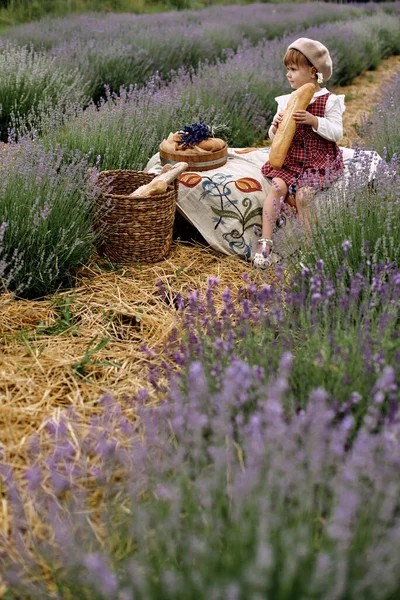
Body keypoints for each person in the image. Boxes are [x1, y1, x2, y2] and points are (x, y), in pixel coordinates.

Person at [253, 37, 345, 268]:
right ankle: (265, 242)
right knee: (277, 188)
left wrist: (315, 121)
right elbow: (277, 139)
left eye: (293, 69)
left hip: (318, 159)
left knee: (304, 195)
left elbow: (337, 133)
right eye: (287, 70)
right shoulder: (286, 100)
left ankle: (308, 248)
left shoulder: (329, 101)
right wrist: (275, 128)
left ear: (313, 71)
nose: (288, 74)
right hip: (292, 159)